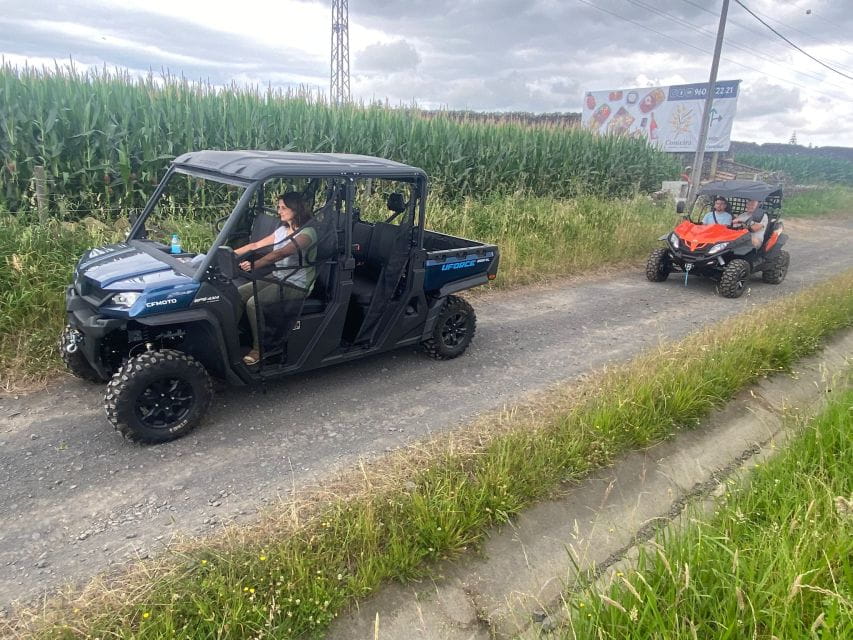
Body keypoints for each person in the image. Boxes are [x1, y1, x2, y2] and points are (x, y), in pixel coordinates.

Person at [234, 193, 317, 365]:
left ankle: (260, 349)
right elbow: (255, 245)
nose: (279, 211)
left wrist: (254, 265)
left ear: (296, 209)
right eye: (278, 207)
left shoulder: (308, 233)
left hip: (296, 283)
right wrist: (226, 253)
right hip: (278, 276)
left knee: (253, 303)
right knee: (238, 294)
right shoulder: (282, 230)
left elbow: (282, 253)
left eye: (283, 208)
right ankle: (231, 337)